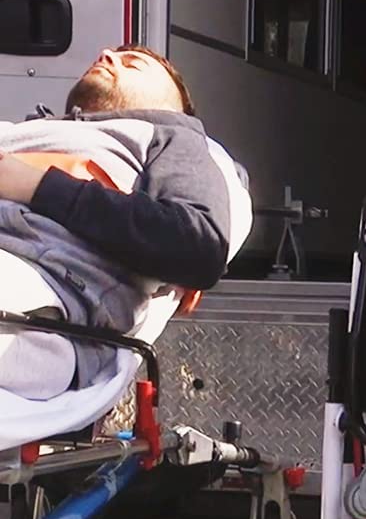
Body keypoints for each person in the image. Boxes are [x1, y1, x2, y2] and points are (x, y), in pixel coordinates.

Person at [0, 45, 236, 399]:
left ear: (171, 105)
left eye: (132, 63)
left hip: (39, 302)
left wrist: (34, 185)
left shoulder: (166, 138)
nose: (107, 54)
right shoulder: (23, 131)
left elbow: (200, 245)